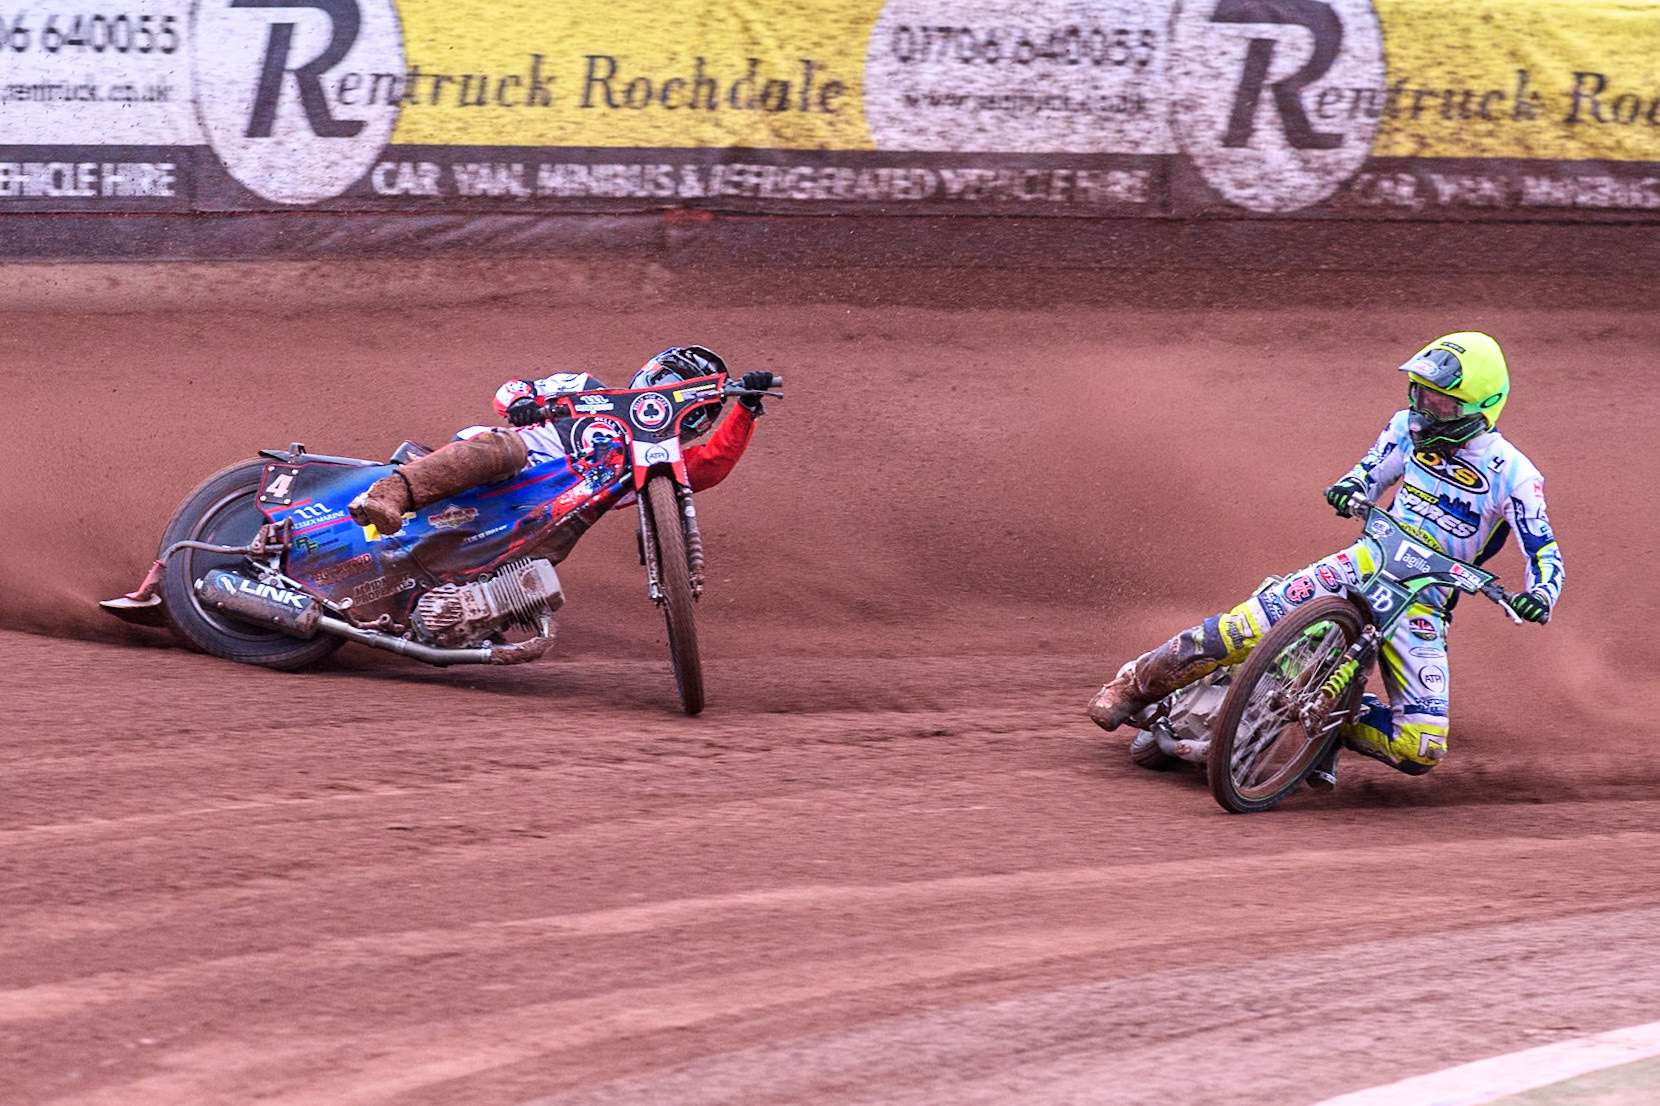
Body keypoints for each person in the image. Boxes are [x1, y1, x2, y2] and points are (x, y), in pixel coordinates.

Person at [1087, 332, 1563, 775]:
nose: (1424, 411)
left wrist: (1539, 594)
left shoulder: (1515, 475)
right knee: (1243, 628)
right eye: (1420, 395)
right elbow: (1368, 473)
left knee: (1421, 747)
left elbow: (1544, 550)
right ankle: (1133, 685)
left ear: (1482, 407)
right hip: (1366, 561)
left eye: (1440, 402)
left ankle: (1332, 714)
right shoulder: (1404, 428)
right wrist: (1349, 487)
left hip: (1424, 602)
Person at [348, 345, 773, 535]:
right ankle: (388, 495)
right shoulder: (586, 388)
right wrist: (522, 404)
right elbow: (513, 390)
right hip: (506, 464)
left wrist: (746, 407)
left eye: (698, 404)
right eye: (672, 385)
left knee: (557, 544)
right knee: (505, 449)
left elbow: (712, 464)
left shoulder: (658, 461)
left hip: (545, 516)